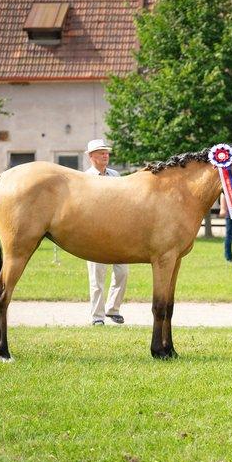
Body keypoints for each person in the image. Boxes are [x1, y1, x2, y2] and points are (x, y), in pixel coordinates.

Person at [84, 138, 127, 326]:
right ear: (91, 156)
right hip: (95, 233)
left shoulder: (115, 175)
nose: (105, 155)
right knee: (97, 276)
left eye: (106, 152)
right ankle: (97, 317)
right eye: (101, 152)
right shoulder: (85, 178)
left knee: (123, 272)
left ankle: (113, 309)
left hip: (118, 232)